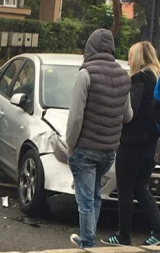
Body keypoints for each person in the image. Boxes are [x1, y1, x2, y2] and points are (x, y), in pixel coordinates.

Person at [66, 29, 133, 248]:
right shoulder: (124, 75)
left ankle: (87, 241)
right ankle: (89, 236)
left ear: (90, 47)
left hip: (85, 147)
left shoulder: (86, 74)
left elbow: (76, 116)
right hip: (109, 149)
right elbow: (128, 116)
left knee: (85, 198)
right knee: (94, 194)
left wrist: (70, 146)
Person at [101, 41, 160, 246]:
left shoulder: (138, 80)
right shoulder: (156, 78)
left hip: (132, 142)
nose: (128, 60)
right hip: (152, 144)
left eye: (131, 56)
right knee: (141, 188)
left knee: (125, 189)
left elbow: (130, 112)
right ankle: (158, 231)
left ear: (139, 58)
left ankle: (123, 235)